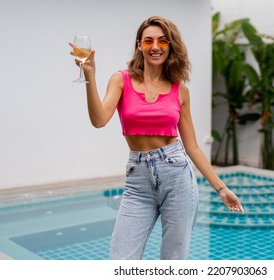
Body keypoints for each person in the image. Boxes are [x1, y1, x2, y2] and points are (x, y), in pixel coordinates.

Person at [70, 16, 244, 260]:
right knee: (121, 261)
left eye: (163, 41)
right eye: (148, 40)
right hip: (138, 181)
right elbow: (99, 120)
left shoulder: (180, 89)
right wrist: (90, 75)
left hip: (178, 177)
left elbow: (192, 146)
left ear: (170, 46)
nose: (155, 47)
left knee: (173, 262)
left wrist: (221, 189)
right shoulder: (121, 80)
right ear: (139, 45)